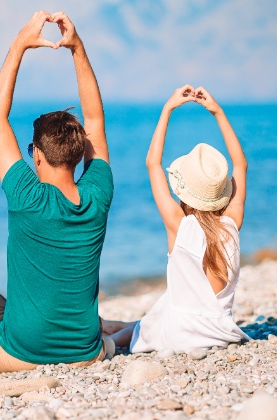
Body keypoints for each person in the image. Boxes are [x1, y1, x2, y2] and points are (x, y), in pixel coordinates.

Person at [0, 11, 113, 372]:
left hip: (18, 358)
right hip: (85, 355)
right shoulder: (98, 195)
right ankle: (111, 338)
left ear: (35, 154)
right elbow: (94, 120)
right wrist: (77, 48)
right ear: (81, 152)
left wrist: (19, 43)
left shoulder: (27, 197)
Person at [103, 85, 251, 352]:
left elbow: (153, 163)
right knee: (157, 314)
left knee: (149, 323)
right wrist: (217, 112)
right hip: (220, 332)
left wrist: (167, 109)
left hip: (178, 335)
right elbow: (240, 164)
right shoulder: (232, 224)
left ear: (185, 192)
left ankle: (109, 339)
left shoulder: (180, 226)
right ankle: (116, 326)